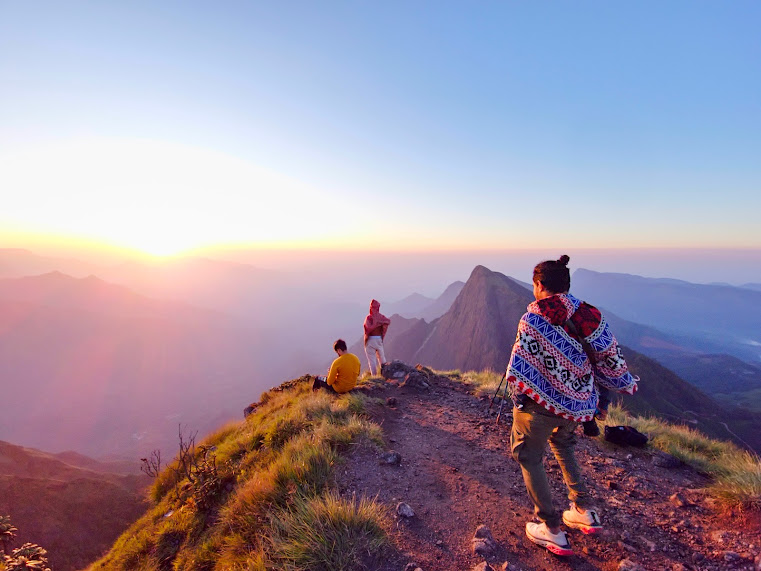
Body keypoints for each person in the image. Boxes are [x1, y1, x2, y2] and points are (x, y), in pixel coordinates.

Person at [506, 255, 638, 556]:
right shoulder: (591, 315)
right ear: (566, 284)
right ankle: (583, 510)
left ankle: (551, 529)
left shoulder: (534, 318)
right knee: (563, 446)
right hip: (578, 405)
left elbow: (520, 367)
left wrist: (520, 400)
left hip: (538, 406)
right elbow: (610, 358)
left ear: (540, 285)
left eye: (534, 285)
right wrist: (597, 398)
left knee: (528, 455)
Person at [363, 299, 390, 376]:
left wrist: (374, 324)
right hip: (379, 339)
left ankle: (374, 377)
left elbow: (367, 328)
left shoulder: (368, 318)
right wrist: (379, 323)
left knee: (372, 361)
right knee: (382, 359)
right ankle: (385, 374)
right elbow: (388, 321)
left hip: (370, 340)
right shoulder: (381, 317)